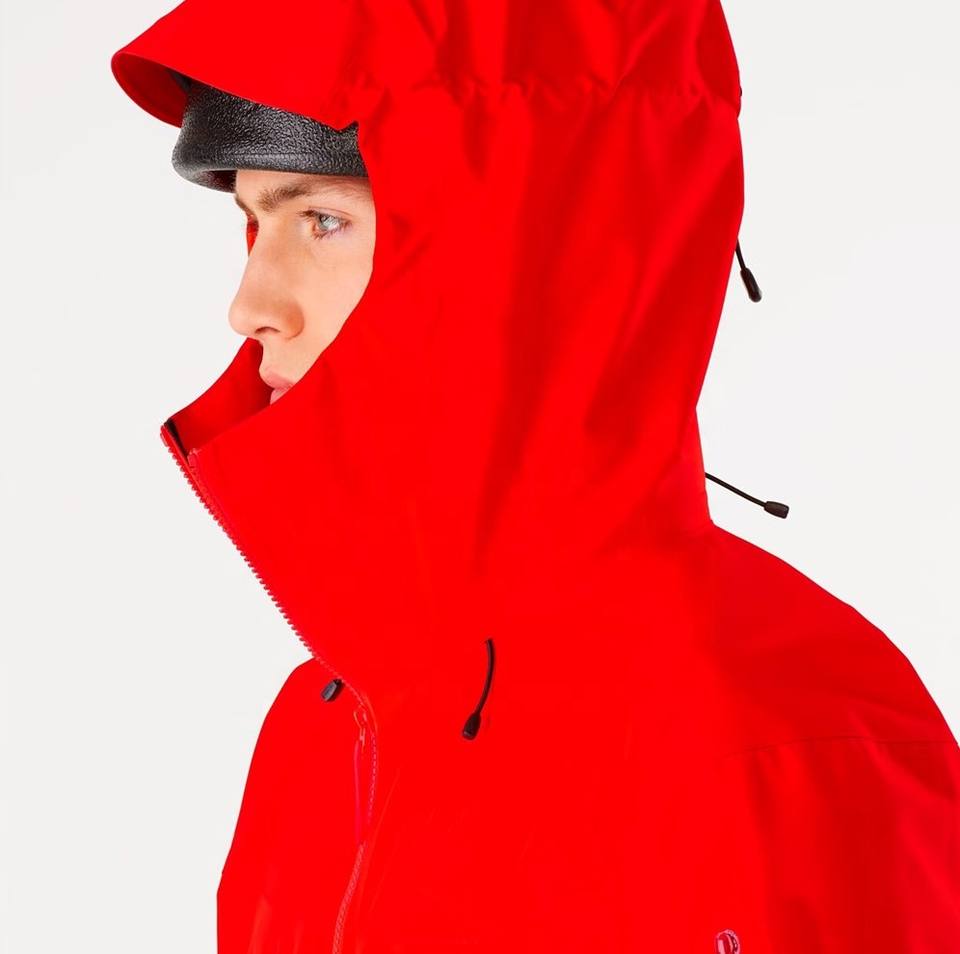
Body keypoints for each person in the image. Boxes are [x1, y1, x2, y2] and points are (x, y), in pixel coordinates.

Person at [111, 2, 960, 952]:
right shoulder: (327, 720)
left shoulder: (779, 733)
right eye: (253, 221)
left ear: (526, 245)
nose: (251, 305)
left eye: (324, 219)